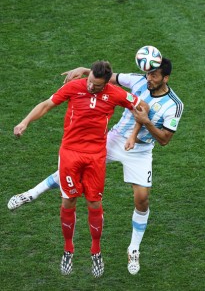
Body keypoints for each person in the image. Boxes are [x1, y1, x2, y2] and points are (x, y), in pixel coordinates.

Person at [8, 56, 184, 275]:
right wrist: (84, 69)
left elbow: (164, 138)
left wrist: (139, 131)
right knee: (68, 180)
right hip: (114, 139)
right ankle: (32, 193)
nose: (149, 77)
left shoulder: (174, 105)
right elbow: (113, 77)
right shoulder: (136, 81)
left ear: (165, 78)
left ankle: (133, 248)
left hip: (139, 150)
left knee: (141, 199)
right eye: (148, 73)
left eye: (154, 75)